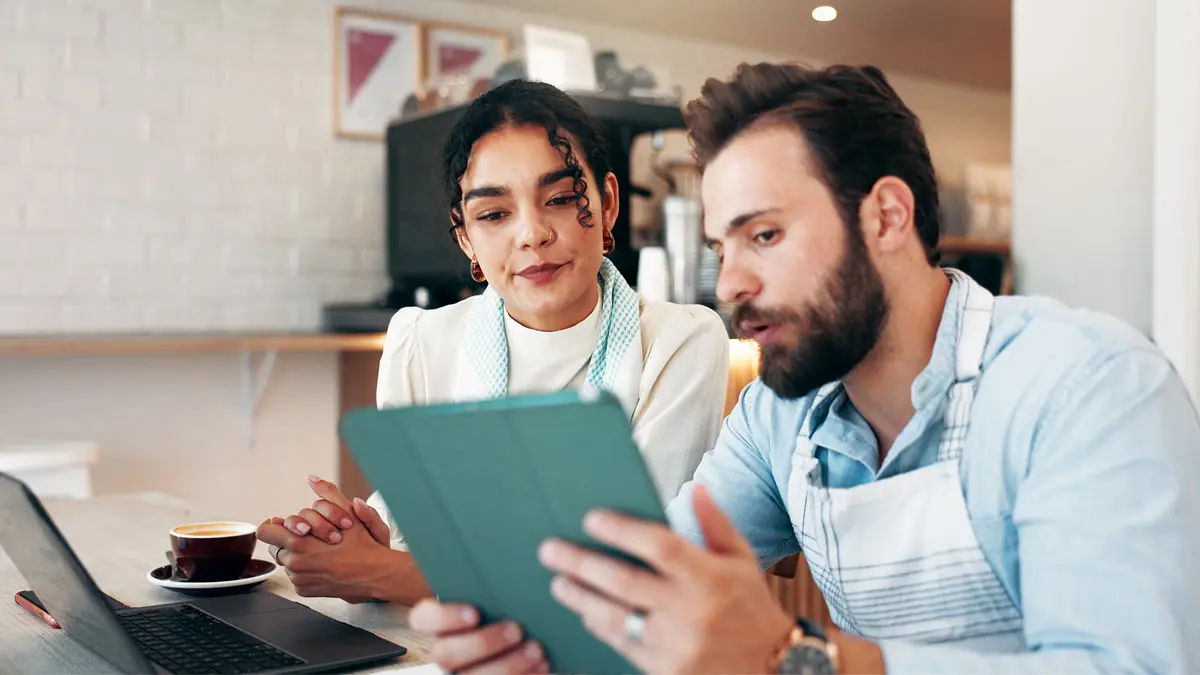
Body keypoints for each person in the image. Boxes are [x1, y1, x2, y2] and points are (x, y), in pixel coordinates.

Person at [408, 62, 1200, 674]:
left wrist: (794, 655)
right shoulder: (780, 415)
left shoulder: (1090, 385)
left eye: (764, 236)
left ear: (886, 216)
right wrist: (526, 636)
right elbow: (651, 582)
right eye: (723, 247)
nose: (729, 285)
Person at [255, 80, 730, 610]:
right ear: (466, 239)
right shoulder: (420, 342)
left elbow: (629, 577)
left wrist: (391, 575)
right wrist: (357, 539)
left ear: (609, 203)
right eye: (493, 214)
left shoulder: (681, 342)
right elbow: (408, 524)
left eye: (560, 199)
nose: (531, 233)